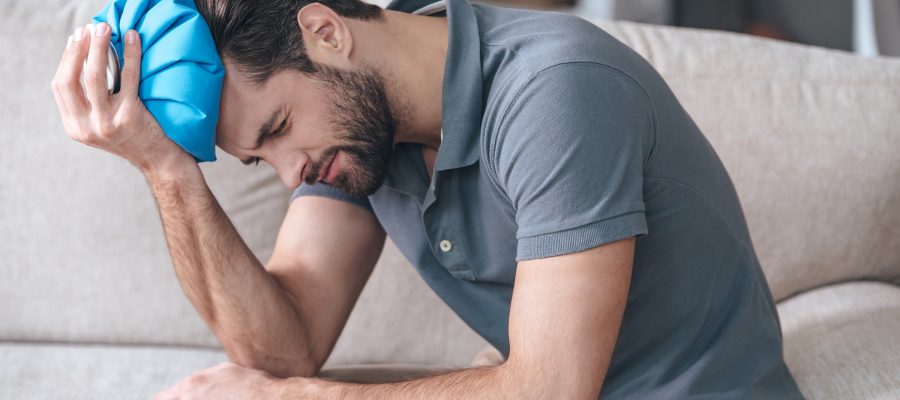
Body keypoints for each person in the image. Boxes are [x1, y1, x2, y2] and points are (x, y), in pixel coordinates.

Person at [50, 0, 806, 398]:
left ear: (326, 32)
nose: (290, 174)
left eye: (279, 129)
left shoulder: (556, 93)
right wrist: (165, 171)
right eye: (258, 157)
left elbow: (548, 391)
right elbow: (283, 350)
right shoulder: (365, 137)